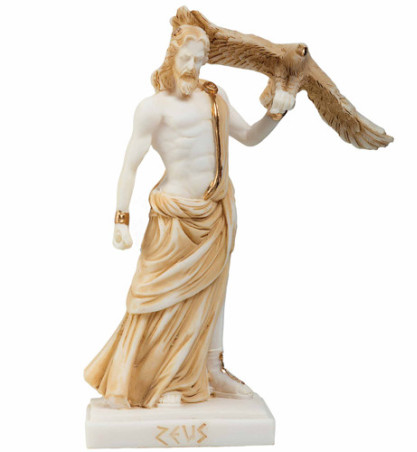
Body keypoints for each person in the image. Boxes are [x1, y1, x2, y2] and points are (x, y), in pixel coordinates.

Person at [84, 24, 295, 409]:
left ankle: (209, 370)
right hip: (175, 218)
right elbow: (130, 165)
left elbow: (249, 137)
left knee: (210, 298)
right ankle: (158, 380)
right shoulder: (153, 108)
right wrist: (121, 219)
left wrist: (276, 112)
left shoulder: (215, 97)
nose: (193, 67)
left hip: (215, 213)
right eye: (186, 58)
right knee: (159, 300)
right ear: (171, 55)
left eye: (200, 60)